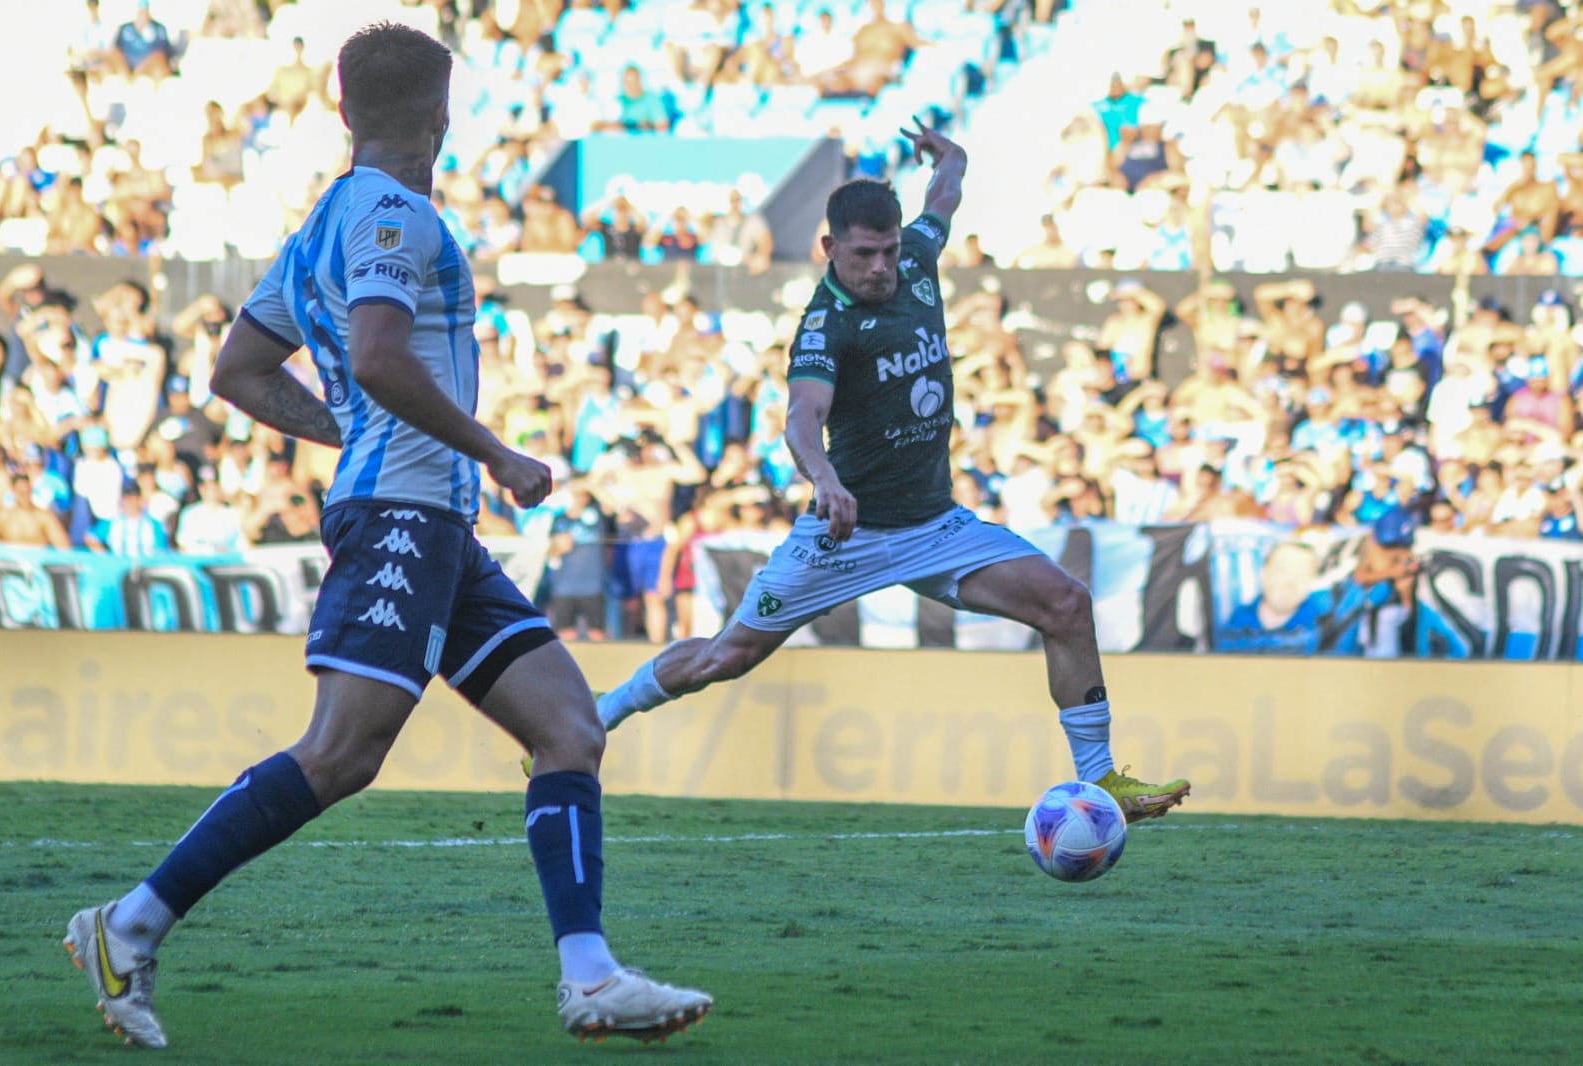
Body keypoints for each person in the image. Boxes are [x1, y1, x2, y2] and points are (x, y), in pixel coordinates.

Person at [61, 22, 710, 1053]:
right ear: (442, 117)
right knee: (342, 751)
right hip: (405, 515)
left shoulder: (328, 216)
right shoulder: (393, 212)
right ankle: (129, 923)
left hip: (430, 521)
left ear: (346, 109)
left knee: (569, 727)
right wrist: (495, 449)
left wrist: (353, 435)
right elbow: (374, 355)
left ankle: (590, 975)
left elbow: (238, 369)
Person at [594, 120, 1190, 824]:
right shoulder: (826, 326)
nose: (879, 267)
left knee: (1065, 604)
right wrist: (824, 479)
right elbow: (801, 418)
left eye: (888, 250)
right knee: (723, 658)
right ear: (828, 250)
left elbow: (943, 198)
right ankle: (590, 721)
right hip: (848, 535)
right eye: (863, 254)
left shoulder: (916, 262)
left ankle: (1101, 785)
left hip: (936, 526)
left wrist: (955, 155)